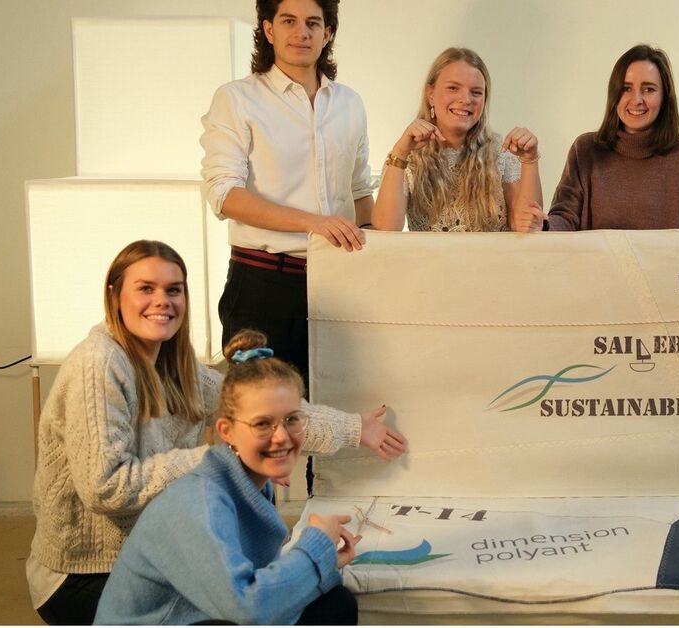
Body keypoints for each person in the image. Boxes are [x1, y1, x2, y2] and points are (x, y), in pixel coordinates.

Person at [28, 241, 406, 625]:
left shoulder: (175, 363)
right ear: (114, 295)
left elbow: (256, 406)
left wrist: (354, 428)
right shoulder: (99, 364)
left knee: (331, 603)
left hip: (162, 553)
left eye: (173, 290)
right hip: (86, 574)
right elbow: (105, 487)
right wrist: (228, 461)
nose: (162, 301)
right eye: (146, 288)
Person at [201, 0, 371, 494]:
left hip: (338, 285)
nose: (302, 32)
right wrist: (314, 223)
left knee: (332, 420)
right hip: (262, 284)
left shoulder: (350, 103)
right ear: (268, 29)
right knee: (254, 426)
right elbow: (224, 194)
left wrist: (377, 256)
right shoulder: (237, 99)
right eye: (289, 21)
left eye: (314, 22)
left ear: (328, 32)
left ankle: (327, 530)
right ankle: (247, 536)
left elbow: (361, 192)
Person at [96, 330, 362, 624]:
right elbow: (248, 609)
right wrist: (316, 547)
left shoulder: (248, 485)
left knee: (335, 603)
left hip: (204, 615)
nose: (282, 437)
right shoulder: (201, 503)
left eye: (291, 419)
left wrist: (322, 564)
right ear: (227, 431)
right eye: (262, 424)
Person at [544, 44, 679, 231]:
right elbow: (564, 219)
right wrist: (541, 225)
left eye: (648, 89)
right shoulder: (585, 149)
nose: (636, 100)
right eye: (626, 88)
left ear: (664, 97)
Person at [371, 47, 545, 233]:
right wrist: (400, 152)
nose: (465, 99)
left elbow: (526, 226)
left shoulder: (500, 153)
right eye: (453, 88)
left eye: (476, 92)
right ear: (430, 94)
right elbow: (386, 228)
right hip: (428, 254)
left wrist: (530, 160)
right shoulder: (406, 157)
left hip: (493, 254)